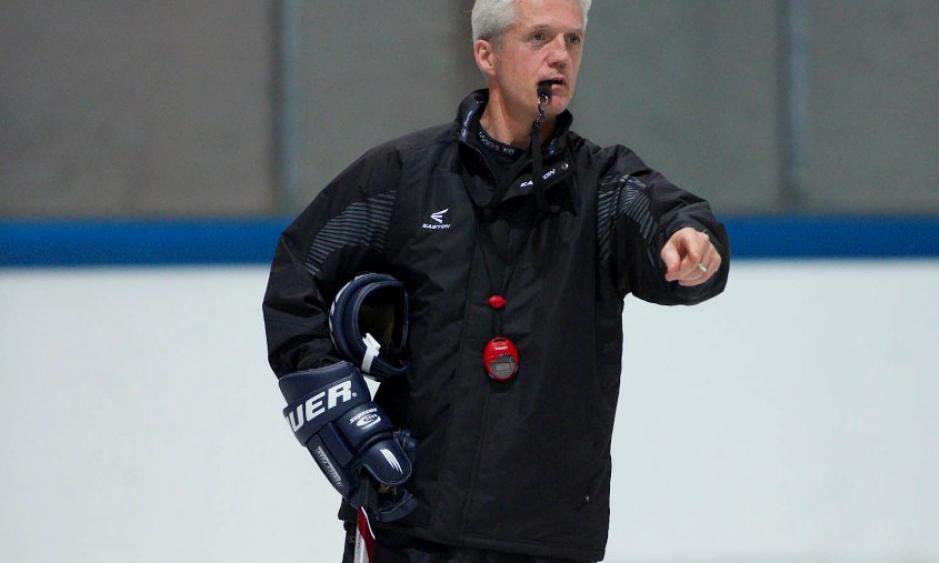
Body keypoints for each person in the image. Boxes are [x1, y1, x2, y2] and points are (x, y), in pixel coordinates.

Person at [262, 0, 730, 561]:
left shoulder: (604, 188)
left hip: (550, 541)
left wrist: (693, 243)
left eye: (573, 40)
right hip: (411, 528)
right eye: (539, 37)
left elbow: (670, 219)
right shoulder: (405, 178)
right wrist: (332, 405)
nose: (560, 55)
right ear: (486, 53)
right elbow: (298, 274)